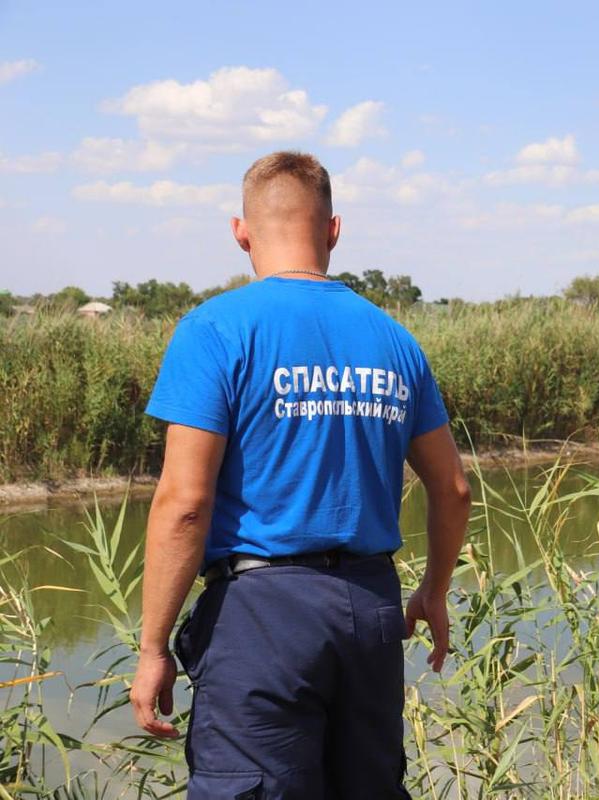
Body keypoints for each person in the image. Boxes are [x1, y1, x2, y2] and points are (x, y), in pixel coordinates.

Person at [129, 151, 470, 799]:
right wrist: (433, 589)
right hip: (370, 612)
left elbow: (184, 504)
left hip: (262, 617)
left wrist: (152, 647)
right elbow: (452, 488)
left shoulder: (215, 330)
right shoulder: (393, 339)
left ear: (241, 230)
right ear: (334, 230)